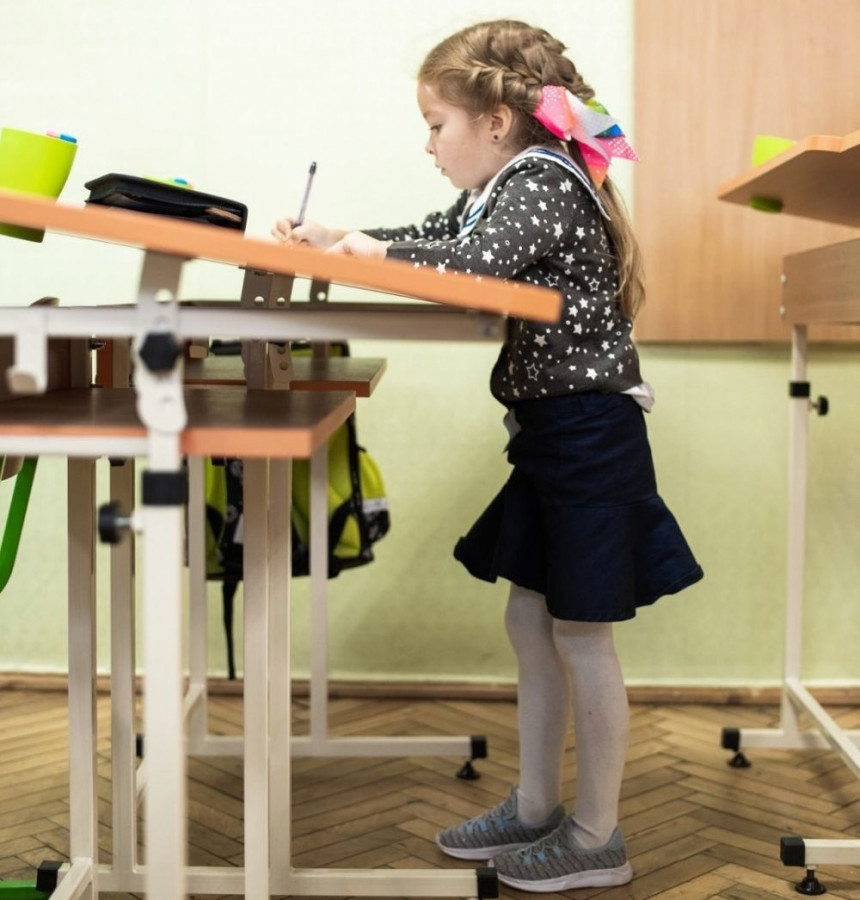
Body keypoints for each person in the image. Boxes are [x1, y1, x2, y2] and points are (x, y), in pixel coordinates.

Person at [272, 18, 704, 892]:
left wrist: (370, 254)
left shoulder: (541, 179)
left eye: (437, 124)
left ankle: (598, 837)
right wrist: (343, 240)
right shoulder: (507, 184)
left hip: (590, 436)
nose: (428, 144)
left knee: (581, 633)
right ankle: (537, 805)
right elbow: (437, 238)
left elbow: (473, 265)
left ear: (496, 122)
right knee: (531, 620)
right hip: (552, 434)